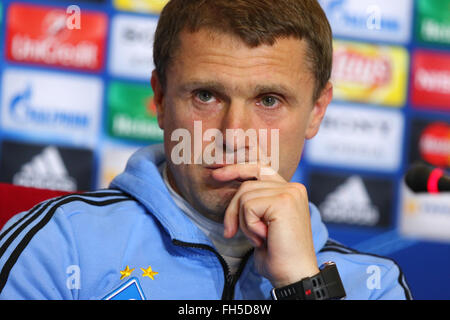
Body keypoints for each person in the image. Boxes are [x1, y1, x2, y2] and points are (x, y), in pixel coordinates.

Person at [0, 0, 411, 300]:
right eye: (206, 95)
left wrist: (305, 286)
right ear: (159, 100)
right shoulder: (58, 245)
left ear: (316, 111)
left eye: (268, 100)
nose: (234, 134)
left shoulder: (374, 285)